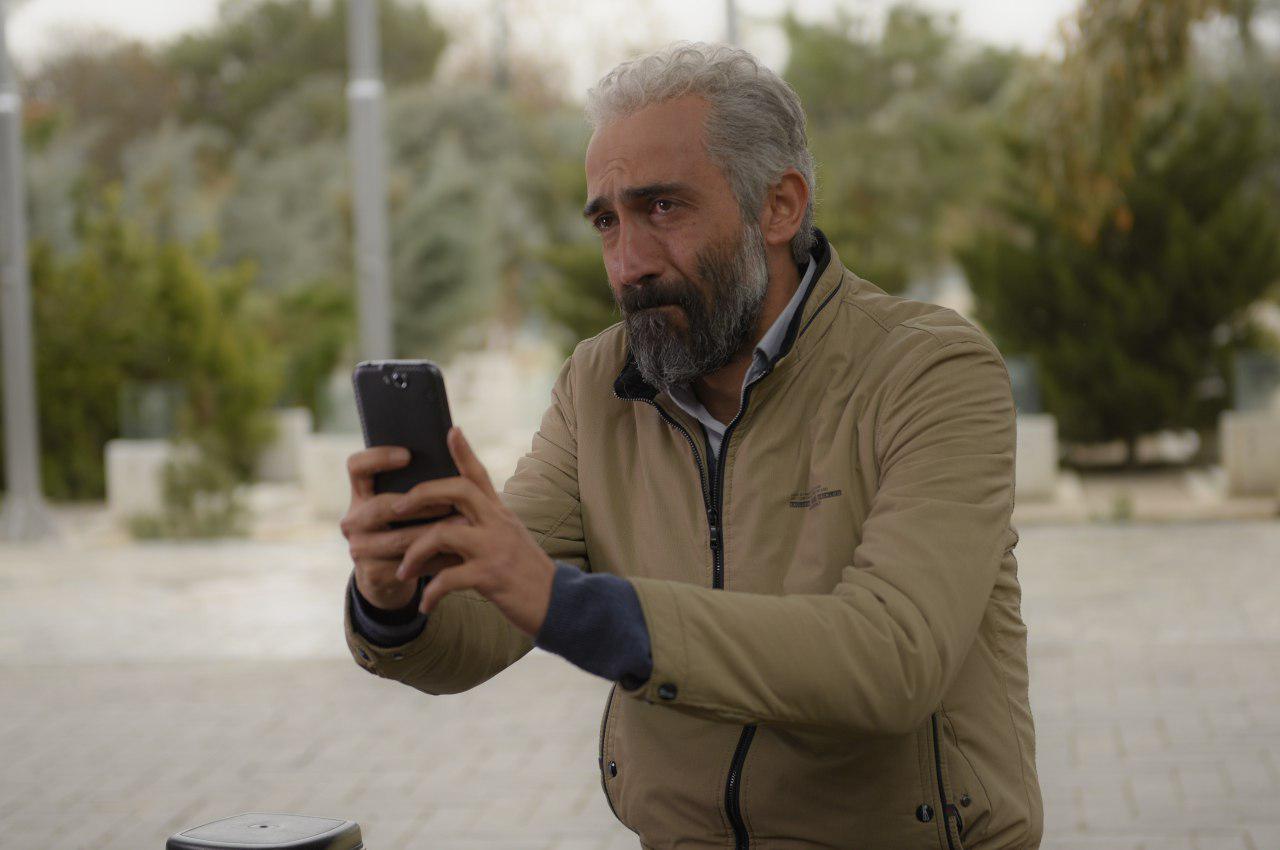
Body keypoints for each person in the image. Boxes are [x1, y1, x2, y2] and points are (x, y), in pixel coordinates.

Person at [340, 42, 1043, 850]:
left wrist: (569, 603)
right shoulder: (597, 386)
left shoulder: (930, 370)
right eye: (607, 221)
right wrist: (395, 598)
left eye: (663, 208)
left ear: (779, 207)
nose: (628, 263)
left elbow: (892, 658)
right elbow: (483, 623)